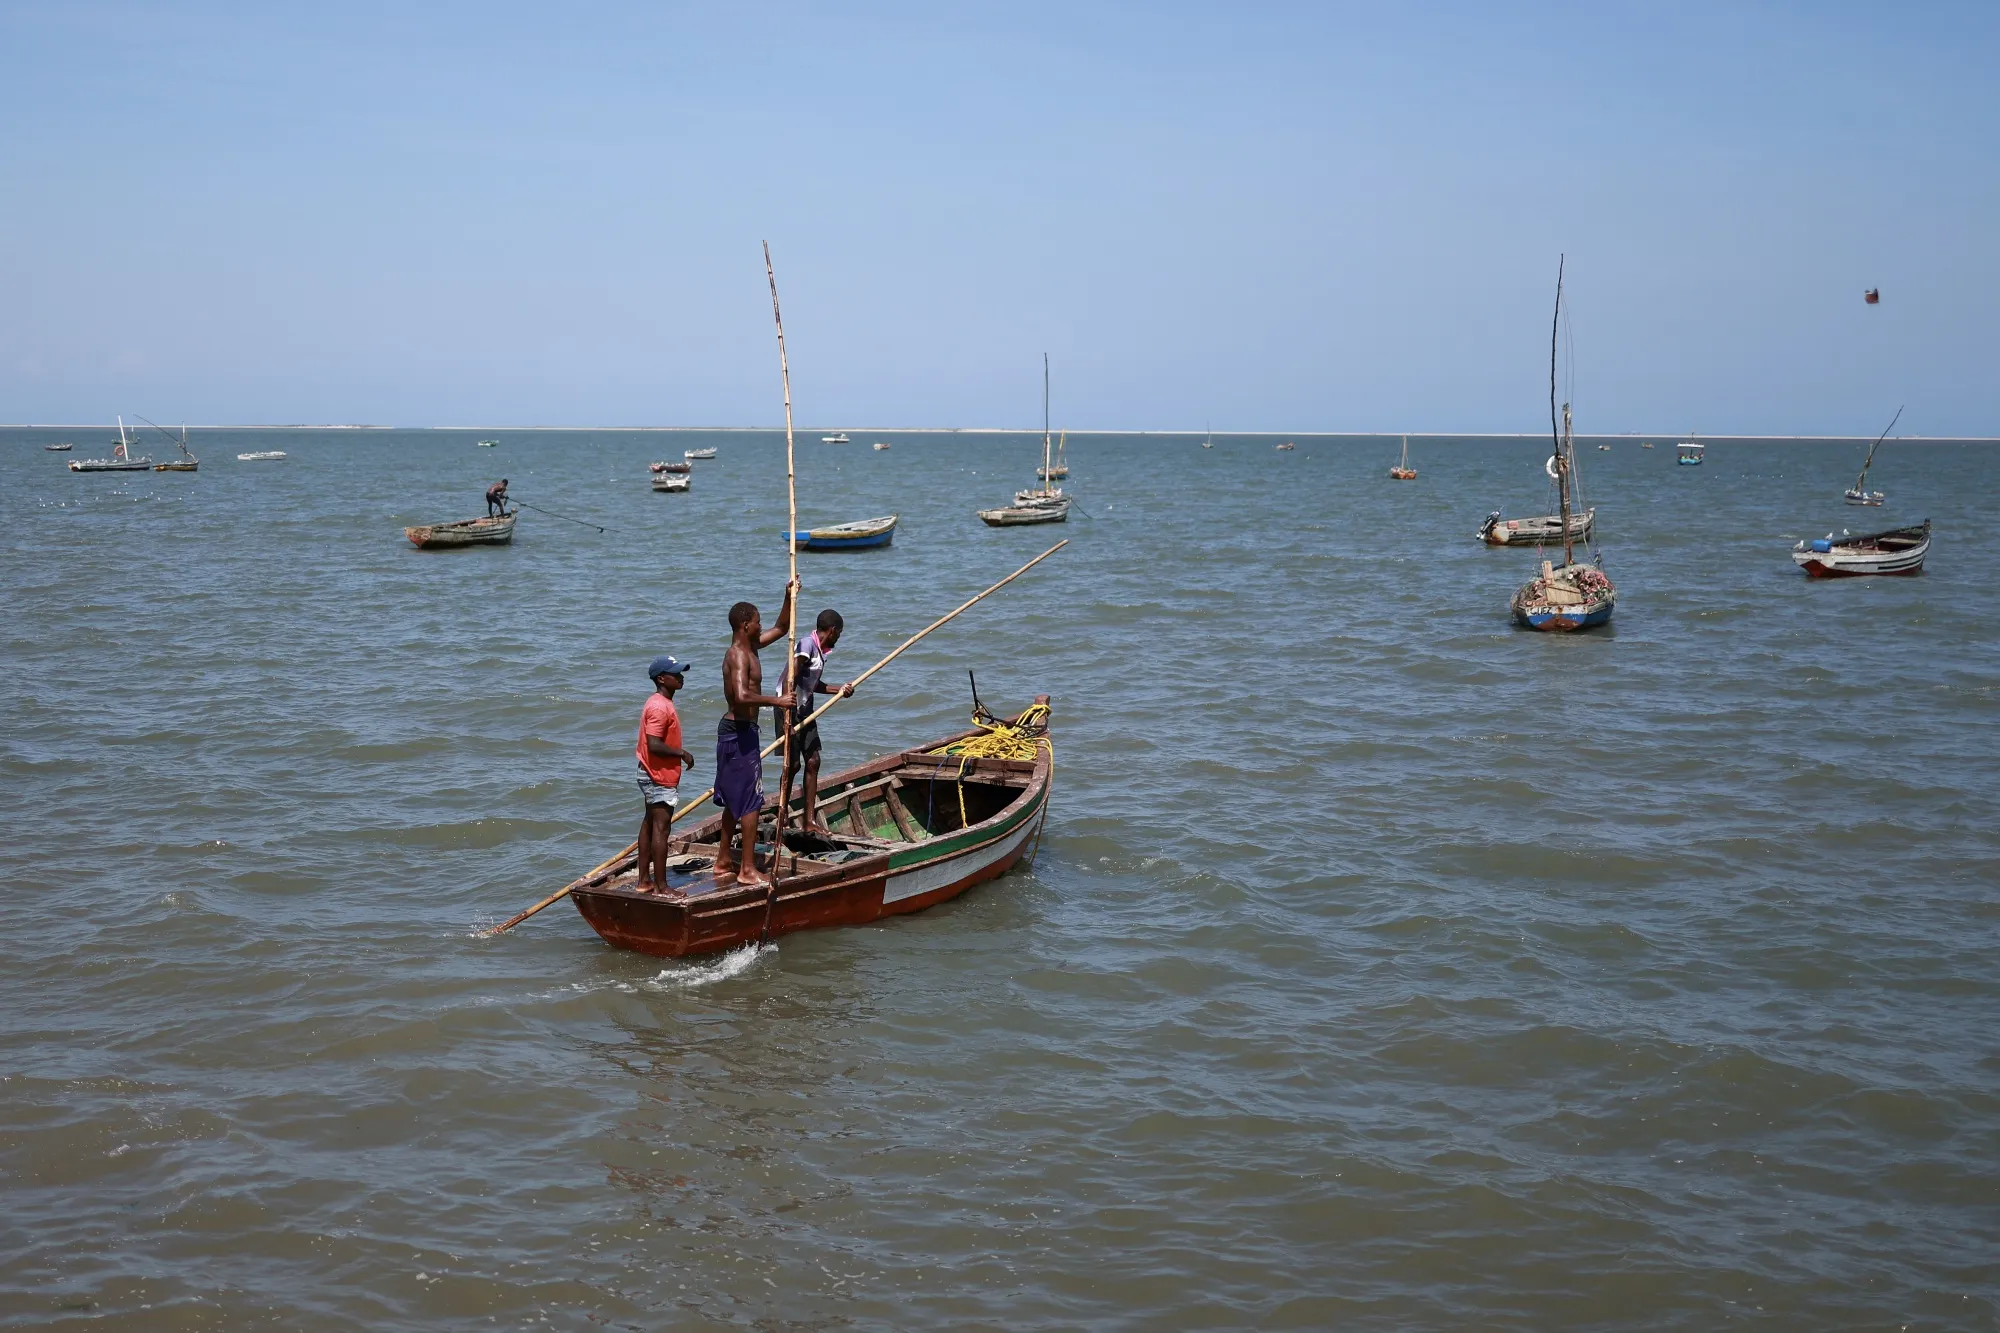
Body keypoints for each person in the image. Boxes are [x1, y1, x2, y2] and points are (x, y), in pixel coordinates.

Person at [712, 577, 797, 889]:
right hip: (737, 733)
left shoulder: (753, 646)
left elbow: (783, 627)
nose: (762, 626)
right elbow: (740, 696)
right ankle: (747, 869)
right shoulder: (737, 654)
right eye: (758, 622)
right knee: (751, 800)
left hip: (743, 731)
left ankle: (723, 860)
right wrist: (778, 701)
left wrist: (788, 596)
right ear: (745, 624)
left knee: (735, 799)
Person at [780, 608, 856, 837]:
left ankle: (809, 820)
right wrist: (786, 711)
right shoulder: (807, 645)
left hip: (806, 708)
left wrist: (839, 690)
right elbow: (791, 676)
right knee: (793, 765)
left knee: (813, 761)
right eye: (839, 633)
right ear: (832, 630)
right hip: (788, 708)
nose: (838, 638)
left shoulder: (820, 652)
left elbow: (812, 684)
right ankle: (782, 818)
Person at [634, 655, 697, 893]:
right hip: (658, 775)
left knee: (650, 823)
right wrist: (682, 753)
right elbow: (654, 744)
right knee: (661, 828)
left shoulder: (660, 702)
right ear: (661, 679)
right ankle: (661, 886)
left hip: (651, 772)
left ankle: (644, 881)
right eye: (676, 674)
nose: (681, 677)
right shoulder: (659, 706)